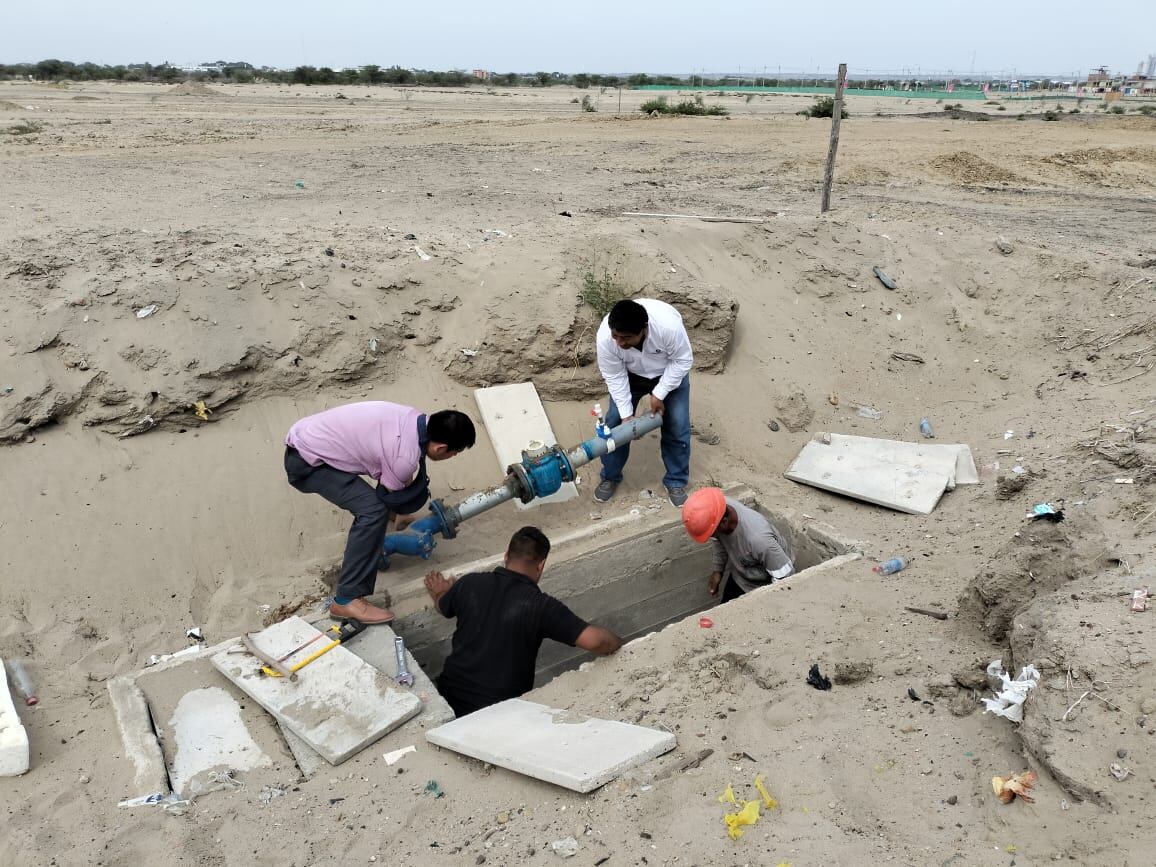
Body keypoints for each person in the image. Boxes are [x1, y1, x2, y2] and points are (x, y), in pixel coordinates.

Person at [284, 401, 476, 624]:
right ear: (440, 448)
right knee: (373, 511)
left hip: (306, 436)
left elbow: (392, 471)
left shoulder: (413, 418)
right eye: (454, 453)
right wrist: (399, 511)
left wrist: (396, 510)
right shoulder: (404, 458)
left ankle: (383, 528)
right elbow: (392, 485)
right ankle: (347, 599)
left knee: (378, 504)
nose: (452, 457)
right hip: (307, 464)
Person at [424, 526, 622, 717]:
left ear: (506, 556)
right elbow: (597, 641)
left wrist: (441, 592)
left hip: (449, 701)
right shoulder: (540, 606)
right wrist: (621, 644)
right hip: (498, 715)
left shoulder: (470, 583)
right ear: (541, 565)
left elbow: (442, 607)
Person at [594, 298, 694, 507]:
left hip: (669, 372)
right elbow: (614, 376)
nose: (619, 343)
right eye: (616, 336)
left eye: (626, 337)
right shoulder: (605, 337)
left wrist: (659, 393)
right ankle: (610, 476)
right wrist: (627, 416)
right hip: (629, 376)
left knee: (677, 422)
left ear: (644, 329)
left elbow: (683, 360)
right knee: (614, 423)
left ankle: (676, 480)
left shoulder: (669, 327)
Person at [681, 487, 794, 602]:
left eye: (712, 534)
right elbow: (718, 540)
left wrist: (766, 603)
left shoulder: (759, 540)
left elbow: (785, 579)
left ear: (724, 523)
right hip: (742, 575)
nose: (712, 537)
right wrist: (718, 571)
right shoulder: (717, 509)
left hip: (765, 584)